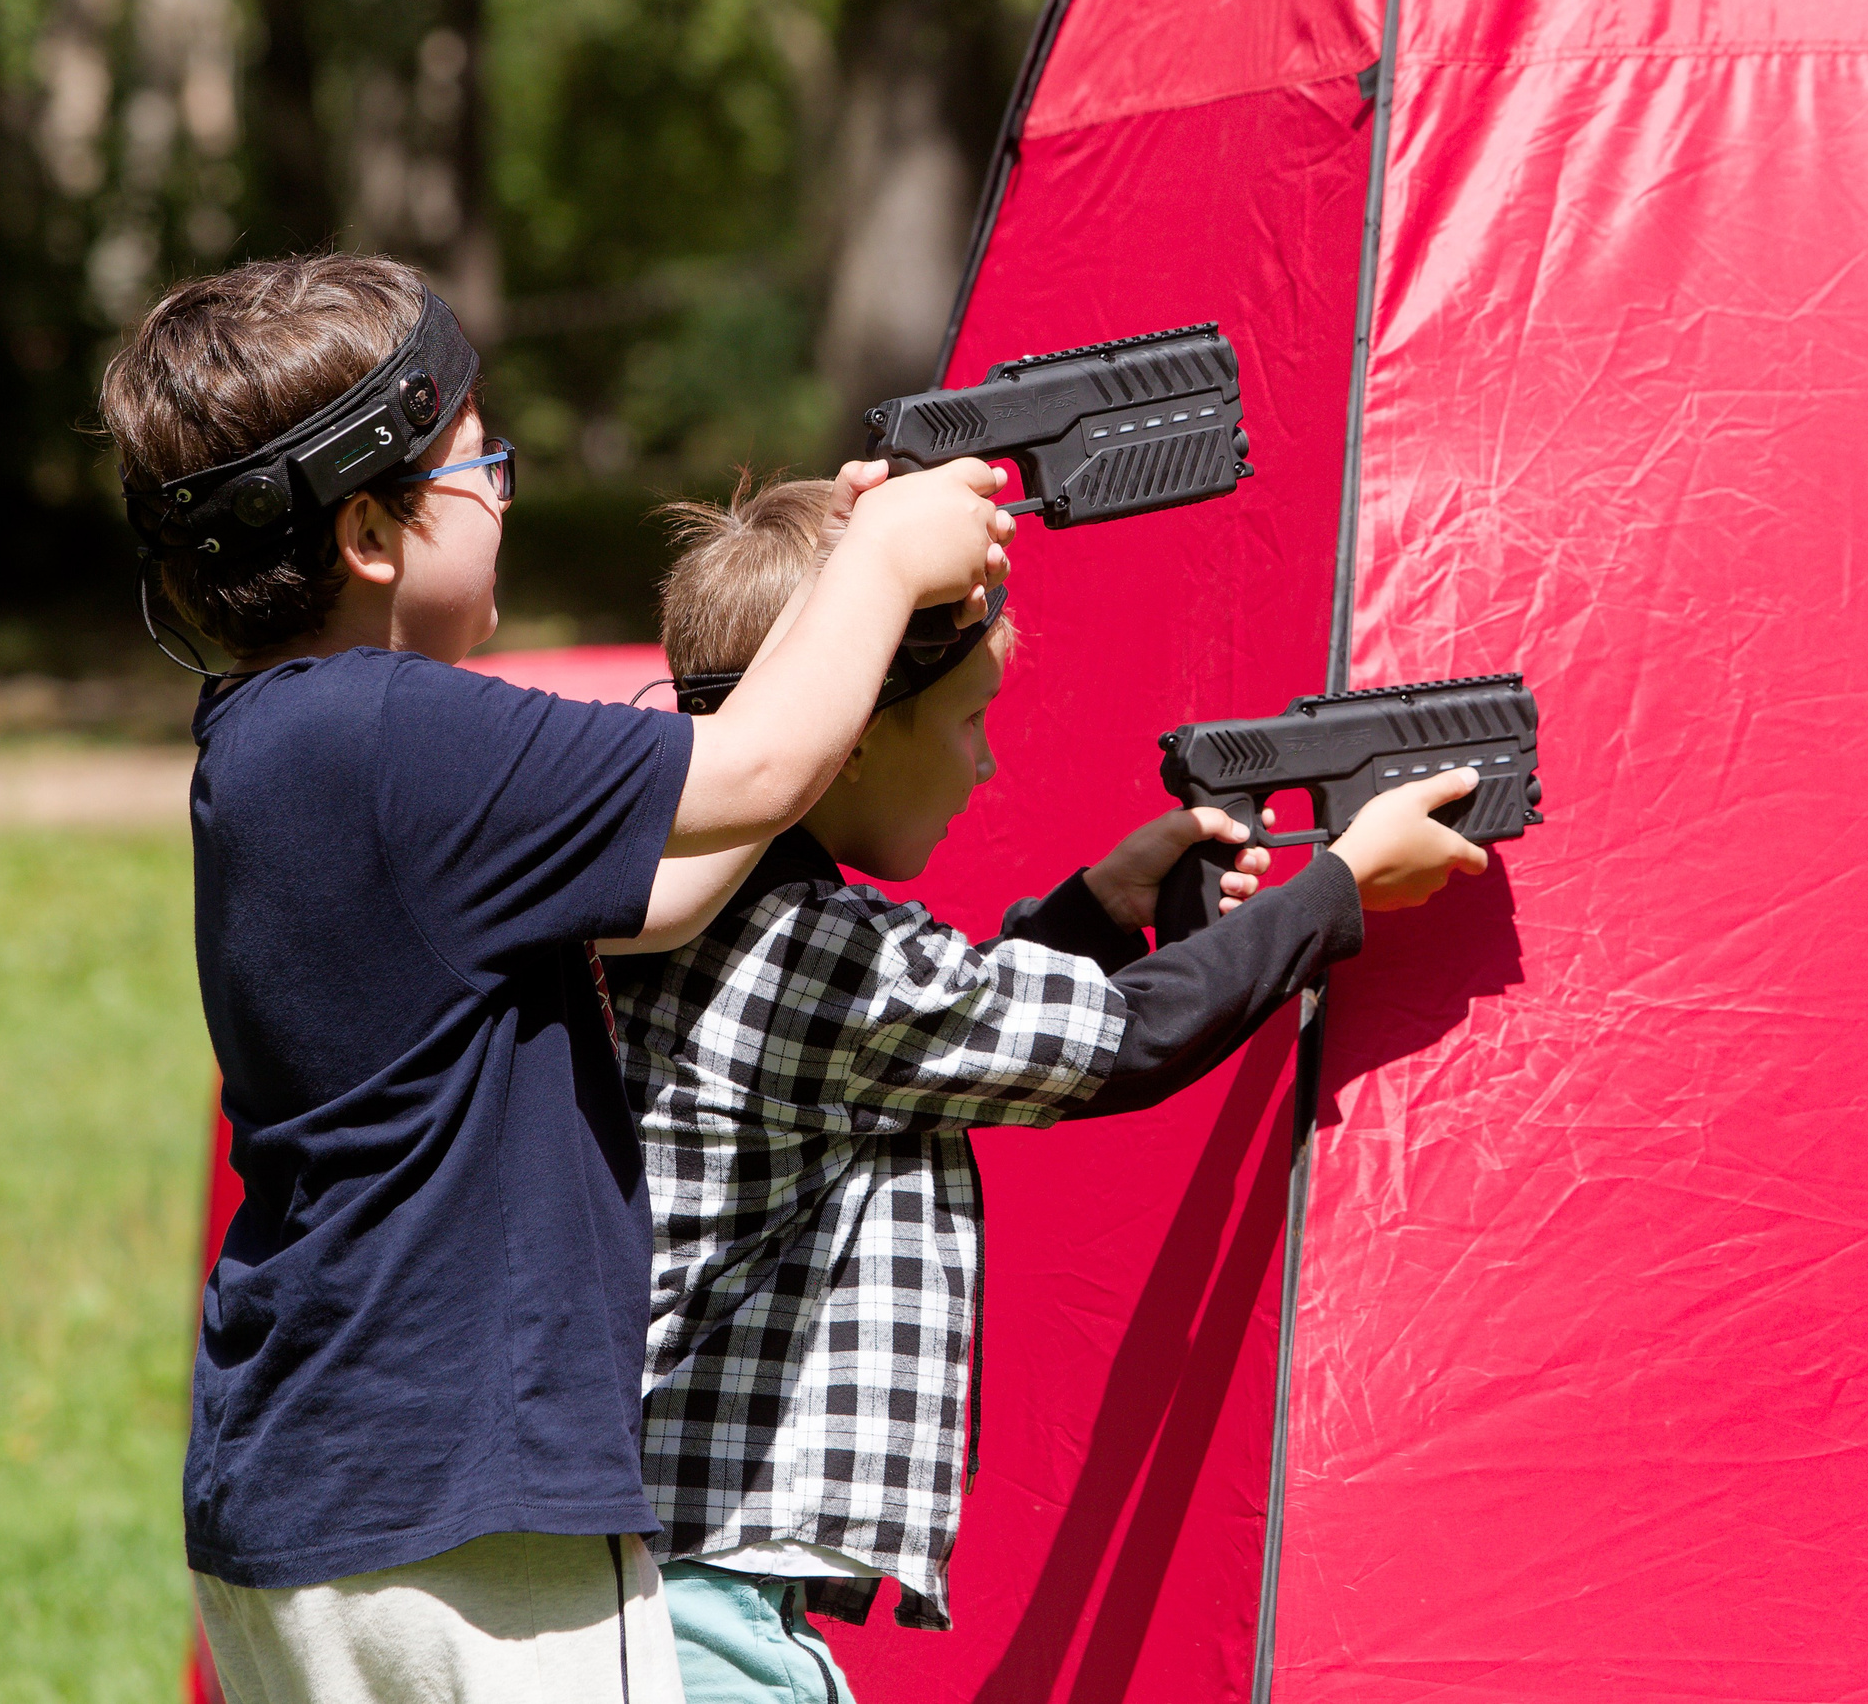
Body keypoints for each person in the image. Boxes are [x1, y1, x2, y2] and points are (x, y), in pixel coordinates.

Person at [98, 253, 1010, 1704]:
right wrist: (892, 566)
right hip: (472, 1502)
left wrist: (843, 577)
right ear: (373, 528)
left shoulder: (279, 745)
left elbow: (670, 889)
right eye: (484, 462)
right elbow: (755, 767)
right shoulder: (409, 731)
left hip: (302, 1496)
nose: (508, 490)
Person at [604, 473, 1486, 1703]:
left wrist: (1093, 912)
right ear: (848, 732)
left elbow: (920, 1042)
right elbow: (1112, 1046)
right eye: (967, 719)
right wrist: (1336, 887)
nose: (986, 759)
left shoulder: (716, 913)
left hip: (676, 1586)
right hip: (702, 1610)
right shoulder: (806, 947)